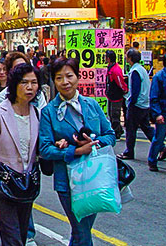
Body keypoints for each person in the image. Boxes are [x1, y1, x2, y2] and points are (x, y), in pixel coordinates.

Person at [39, 56, 116, 246]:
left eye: (69, 76)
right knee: (81, 229)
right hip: (67, 180)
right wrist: (75, 151)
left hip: (95, 177)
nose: (65, 82)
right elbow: (45, 149)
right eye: (59, 78)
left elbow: (110, 135)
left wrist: (94, 142)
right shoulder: (49, 111)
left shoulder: (91, 105)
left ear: (78, 77)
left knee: (81, 230)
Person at [0, 63, 41, 246]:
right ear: (14, 85)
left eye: (34, 83)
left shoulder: (36, 113)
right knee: (11, 237)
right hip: (2, 184)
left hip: (27, 184)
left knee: (21, 234)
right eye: (24, 83)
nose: (30, 87)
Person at [118, 49, 166, 161]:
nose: (126, 58)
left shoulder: (135, 71)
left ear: (130, 58)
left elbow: (135, 91)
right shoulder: (141, 70)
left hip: (137, 104)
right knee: (146, 127)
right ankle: (162, 147)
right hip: (145, 104)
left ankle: (129, 152)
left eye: (127, 56)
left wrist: (131, 103)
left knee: (131, 129)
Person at [106, 49, 128, 139]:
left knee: (115, 114)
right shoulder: (110, 67)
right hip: (111, 95)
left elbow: (120, 82)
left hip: (116, 95)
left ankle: (117, 133)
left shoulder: (115, 70)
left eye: (106, 57)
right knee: (111, 114)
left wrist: (124, 90)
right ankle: (118, 130)